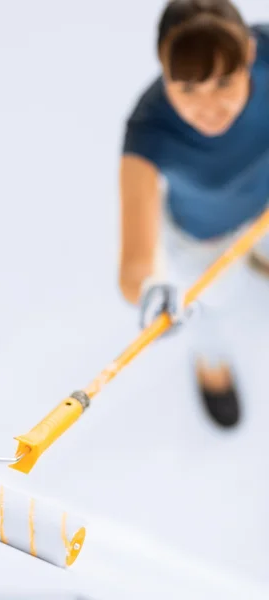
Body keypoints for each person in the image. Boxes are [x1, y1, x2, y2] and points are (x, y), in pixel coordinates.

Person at [119, 0, 269, 428]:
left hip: (265, 205)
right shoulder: (149, 130)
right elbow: (135, 263)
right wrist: (150, 288)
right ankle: (211, 364)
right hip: (201, 242)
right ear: (163, 71)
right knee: (207, 311)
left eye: (224, 81)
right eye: (186, 88)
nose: (209, 107)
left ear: (250, 52)